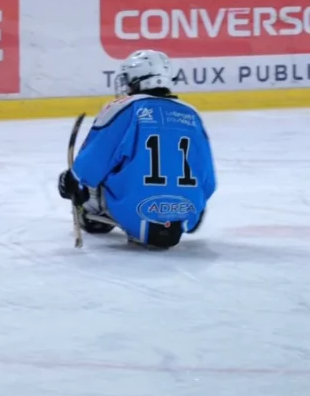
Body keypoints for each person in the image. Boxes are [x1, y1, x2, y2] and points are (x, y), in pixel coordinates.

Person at [57, 50, 217, 249]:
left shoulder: (123, 107)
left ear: (137, 79)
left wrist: (72, 182)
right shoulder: (192, 115)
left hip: (134, 212)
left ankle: (96, 218)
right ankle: (175, 217)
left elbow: (91, 165)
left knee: (89, 178)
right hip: (186, 213)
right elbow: (208, 181)